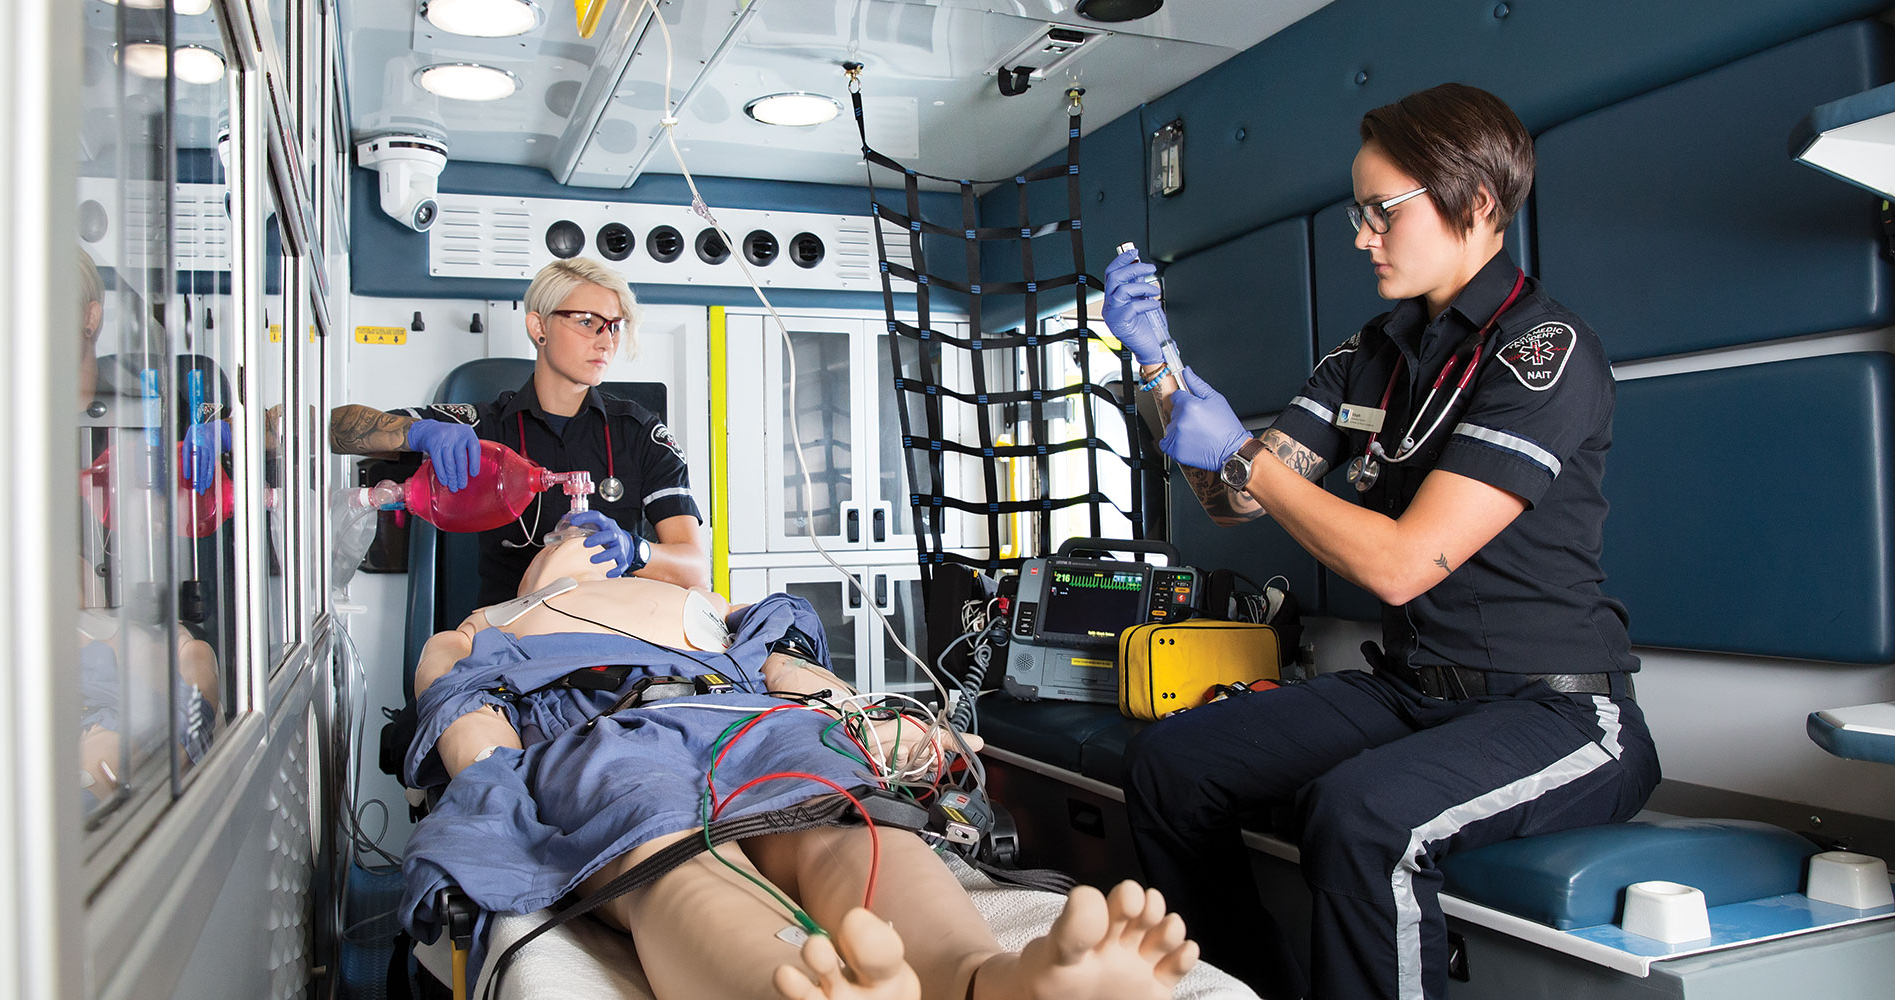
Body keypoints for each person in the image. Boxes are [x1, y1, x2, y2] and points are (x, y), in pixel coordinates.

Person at [1101, 83, 1661, 1000]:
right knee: (1170, 766)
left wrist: (1242, 451)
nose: (1362, 237)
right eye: (1357, 214)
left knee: (1359, 818)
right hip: (1412, 692)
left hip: (1556, 711)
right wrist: (1159, 367)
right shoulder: (1369, 356)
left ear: (1476, 202)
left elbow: (1402, 565)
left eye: (1382, 212)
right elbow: (1232, 499)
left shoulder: (1545, 352)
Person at [400, 538, 1202, 1000]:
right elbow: (462, 717)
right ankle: (789, 986)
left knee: (845, 819)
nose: (583, 535)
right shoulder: (490, 624)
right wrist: (501, 797)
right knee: (667, 850)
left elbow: (785, 663)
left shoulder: (691, 599)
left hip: (751, 719)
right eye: (564, 534)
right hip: (607, 735)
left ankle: (986, 982)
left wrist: (866, 725)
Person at [184, 257, 708, 605]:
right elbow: (343, 427)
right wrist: (232, 432)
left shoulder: (640, 433)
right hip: (509, 641)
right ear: (538, 326)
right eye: (587, 321)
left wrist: (635, 550)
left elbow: (693, 569)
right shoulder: (483, 427)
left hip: (617, 634)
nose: (606, 340)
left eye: (614, 326)